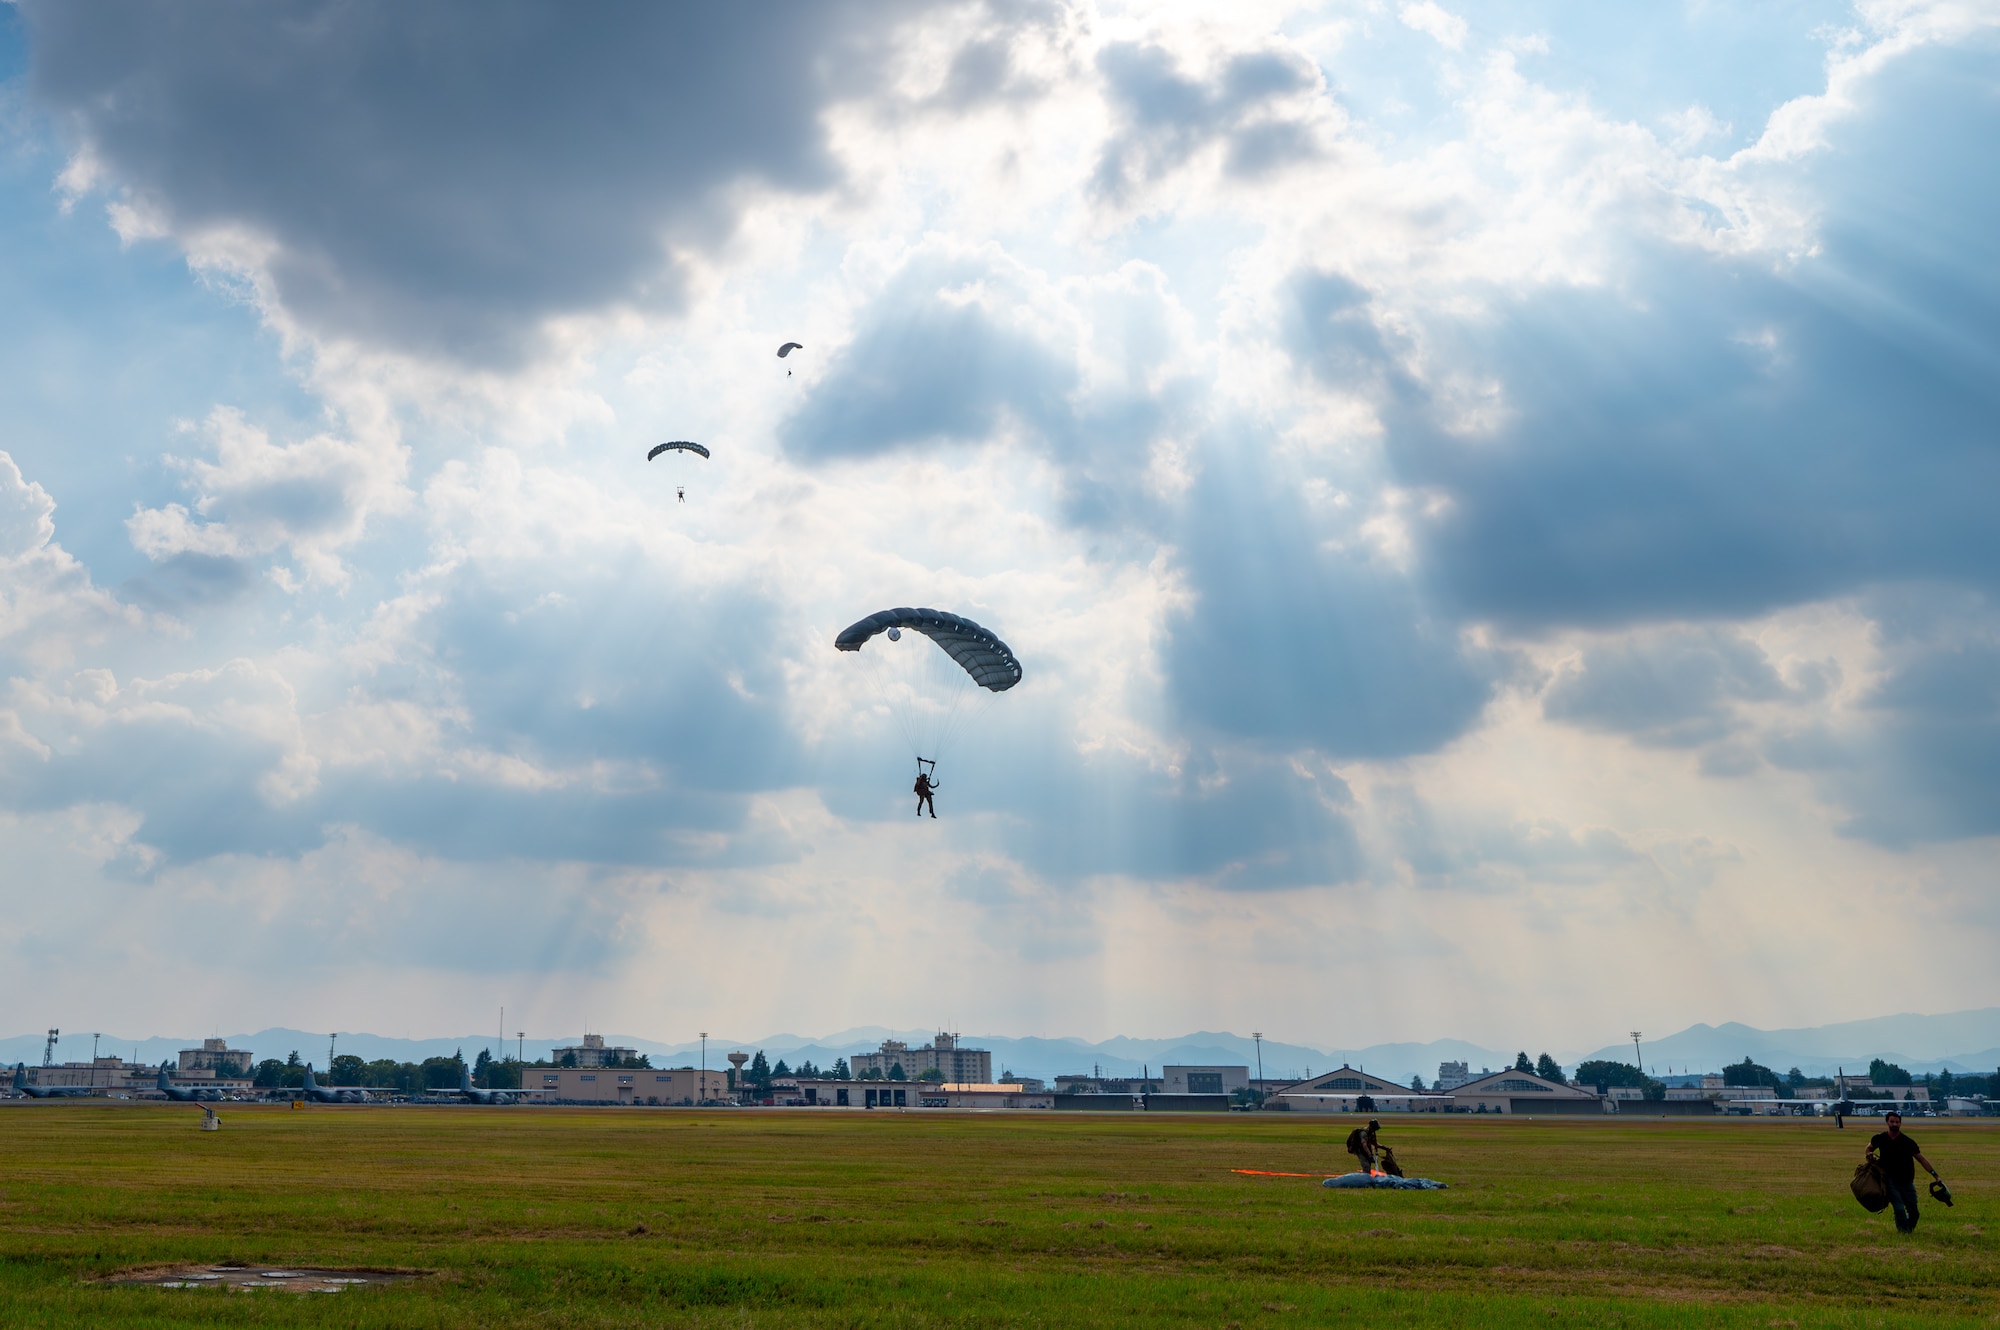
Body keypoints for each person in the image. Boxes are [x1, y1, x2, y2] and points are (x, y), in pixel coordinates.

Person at [1866, 1112, 1943, 1234]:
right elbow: (1869, 1148)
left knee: (1914, 1212)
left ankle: (1908, 1230)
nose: (1895, 1124)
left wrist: (1935, 1175)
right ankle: (1903, 1234)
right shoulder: (1880, 1138)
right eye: (1892, 1121)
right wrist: (1869, 1156)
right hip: (1889, 1180)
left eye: (1897, 1122)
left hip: (1907, 1181)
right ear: (1887, 1122)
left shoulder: (1908, 1142)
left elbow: (1921, 1160)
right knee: (1899, 1208)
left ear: (1900, 1123)